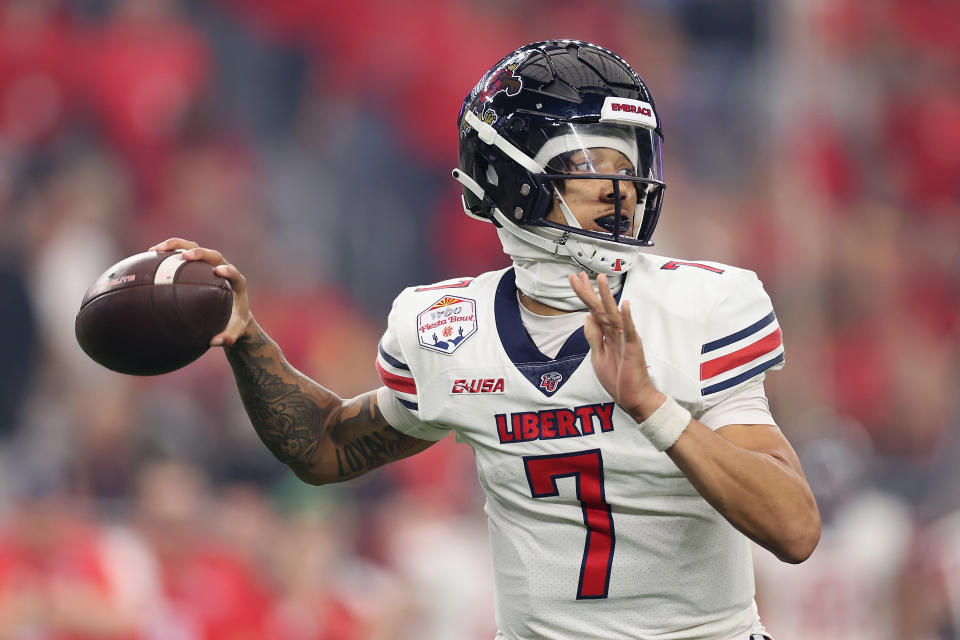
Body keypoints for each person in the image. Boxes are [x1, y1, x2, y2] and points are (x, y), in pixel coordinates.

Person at [150, 40, 820, 640]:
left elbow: (794, 530)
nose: (623, 190)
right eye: (593, 164)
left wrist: (651, 406)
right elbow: (324, 447)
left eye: (629, 161)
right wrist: (246, 340)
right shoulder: (450, 332)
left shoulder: (699, 305)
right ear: (512, 180)